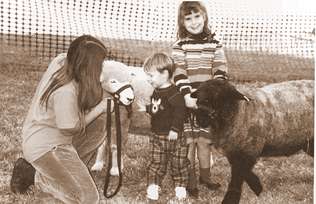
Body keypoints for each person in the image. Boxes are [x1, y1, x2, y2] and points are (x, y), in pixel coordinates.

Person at [22, 35, 112, 204]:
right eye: (100, 64)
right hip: (48, 148)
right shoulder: (66, 91)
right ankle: (42, 180)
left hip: (51, 138)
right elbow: (70, 128)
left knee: (100, 124)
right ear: (89, 67)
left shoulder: (62, 62)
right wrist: (100, 108)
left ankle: (62, 175)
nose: (103, 67)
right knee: (88, 198)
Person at [172, 1, 228, 197]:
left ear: (204, 17)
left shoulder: (215, 44)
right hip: (187, 101)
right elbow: (179, 72)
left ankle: (206, 177)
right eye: (188, 19)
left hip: (207, 103)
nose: (194, 22)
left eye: (197, 17)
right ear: (182, 22)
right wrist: (187, 96)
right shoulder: (179, 46)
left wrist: (213, 94)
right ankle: (190, 180)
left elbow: (220, 71)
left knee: (204, 142)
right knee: (189, 143)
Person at [141, 53, 190, 201]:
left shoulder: (174, 93)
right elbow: (159, 108)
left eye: (151, 76)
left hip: (174, 136)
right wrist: (148, 109)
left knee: (179, 162)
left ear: (165, 73)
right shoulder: (156, 91)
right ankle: (154, 185)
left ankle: (180, 186)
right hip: (157, 135)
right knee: (156, 161)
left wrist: (175, 129)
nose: (148, 79)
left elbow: (180, 112)